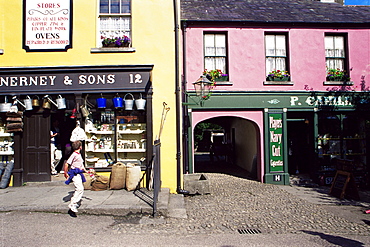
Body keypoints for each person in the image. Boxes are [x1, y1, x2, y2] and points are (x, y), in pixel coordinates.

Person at [64, 141, 86, 213]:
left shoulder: (78, 155)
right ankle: (72, 204)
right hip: (74, 173)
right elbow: (67, 164)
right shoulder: (74, 155)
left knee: (81, 189)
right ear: (80, 147)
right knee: (79, 188)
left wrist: (84, 170)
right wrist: (65, 172)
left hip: (78, 173)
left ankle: (75, 203)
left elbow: (80, 164)